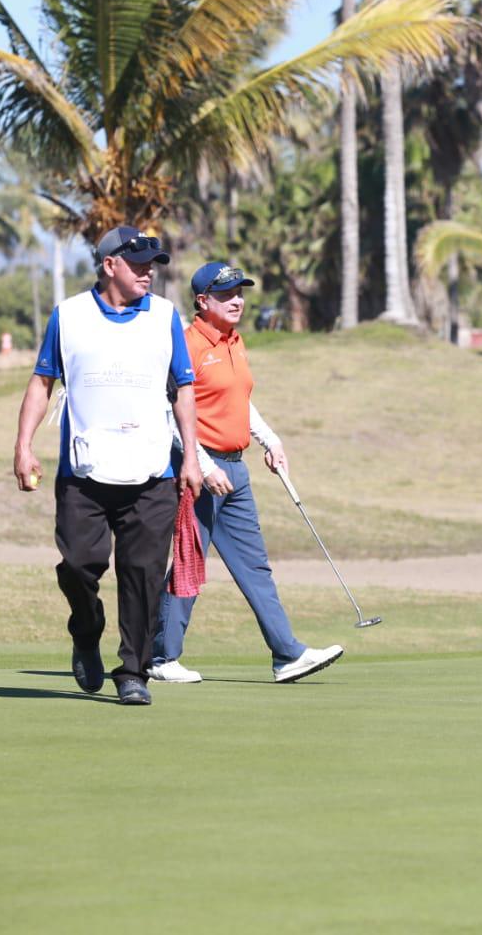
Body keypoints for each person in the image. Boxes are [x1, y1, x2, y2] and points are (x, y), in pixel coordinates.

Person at [13, 226, 203, 706]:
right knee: (78, 566)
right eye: (138, 263)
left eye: (152, 264)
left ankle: (133, 671)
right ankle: (86, 630)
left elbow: (183, 389)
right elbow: (42, 383)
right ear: (109, 264)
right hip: (84, 472)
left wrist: (193, 456)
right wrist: (23, 445)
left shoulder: (164, 316)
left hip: (152, 473)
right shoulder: (70, 316)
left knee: (141, 574)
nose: (148, 272)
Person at [150, 262, 344, 685]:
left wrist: (270, 440)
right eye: (226, 294)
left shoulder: (236, 341)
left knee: (255, 567)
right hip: (199, 474)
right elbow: (170, 414)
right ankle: (161, 657)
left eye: (240, 292)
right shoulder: (187, 346)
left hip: (236, 472)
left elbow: (240, 401)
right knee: (188, 564)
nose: (237, 300)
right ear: (203, 302)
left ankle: (286, 654)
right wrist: (203, 465)